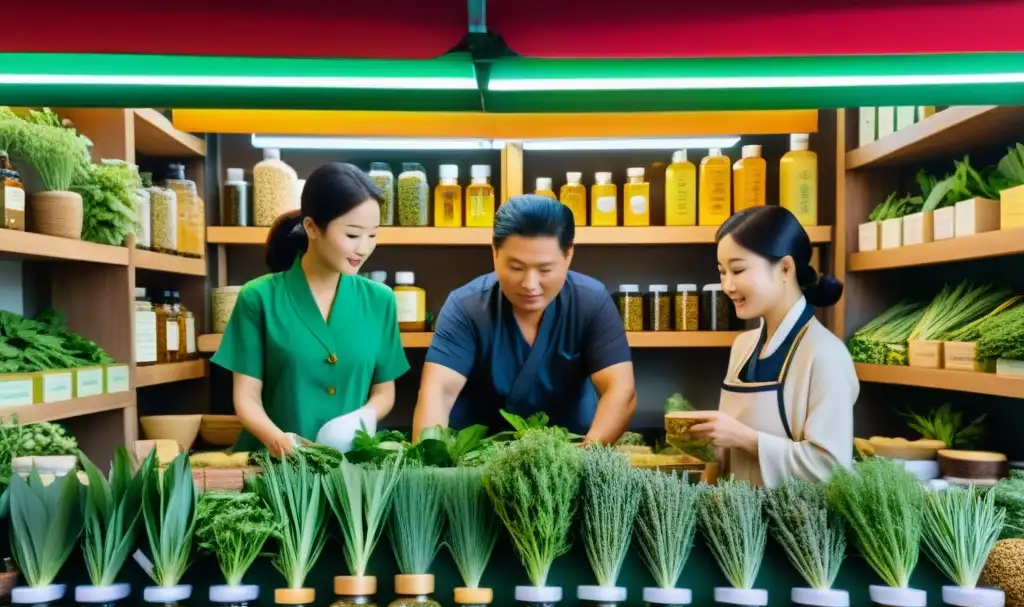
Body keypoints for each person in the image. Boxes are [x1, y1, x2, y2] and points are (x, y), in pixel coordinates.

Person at [213, 162, 409, 455]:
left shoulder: (381, 300)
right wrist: (279, 441)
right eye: (353, 235)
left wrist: (363, 416)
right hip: (271, 469)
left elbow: (384, 391)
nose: (364, 248)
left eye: (373, 235)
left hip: (351, 468)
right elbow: (246, 399)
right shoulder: (259, 297)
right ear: (311, 227)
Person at [413, 195, 636, 443]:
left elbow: (620, 390)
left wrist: (587, 456)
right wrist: (430, 466)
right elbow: (438, 392)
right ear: (495, 252)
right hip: (476, 458)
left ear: (568, 254)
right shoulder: (465, 307)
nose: (530, 285)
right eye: (517, 268)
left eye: (545, 270)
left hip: (573, 450)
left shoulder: (592, 302)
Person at [685, 205, 858, 487]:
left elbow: (831, 469)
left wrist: (745, 439)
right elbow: (723, 455)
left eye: (738, 269)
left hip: (796, 526)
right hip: (732, 521)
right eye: (722, 272)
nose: (727, 285)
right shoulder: (743, 346)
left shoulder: (826, 354)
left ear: (785, 268)